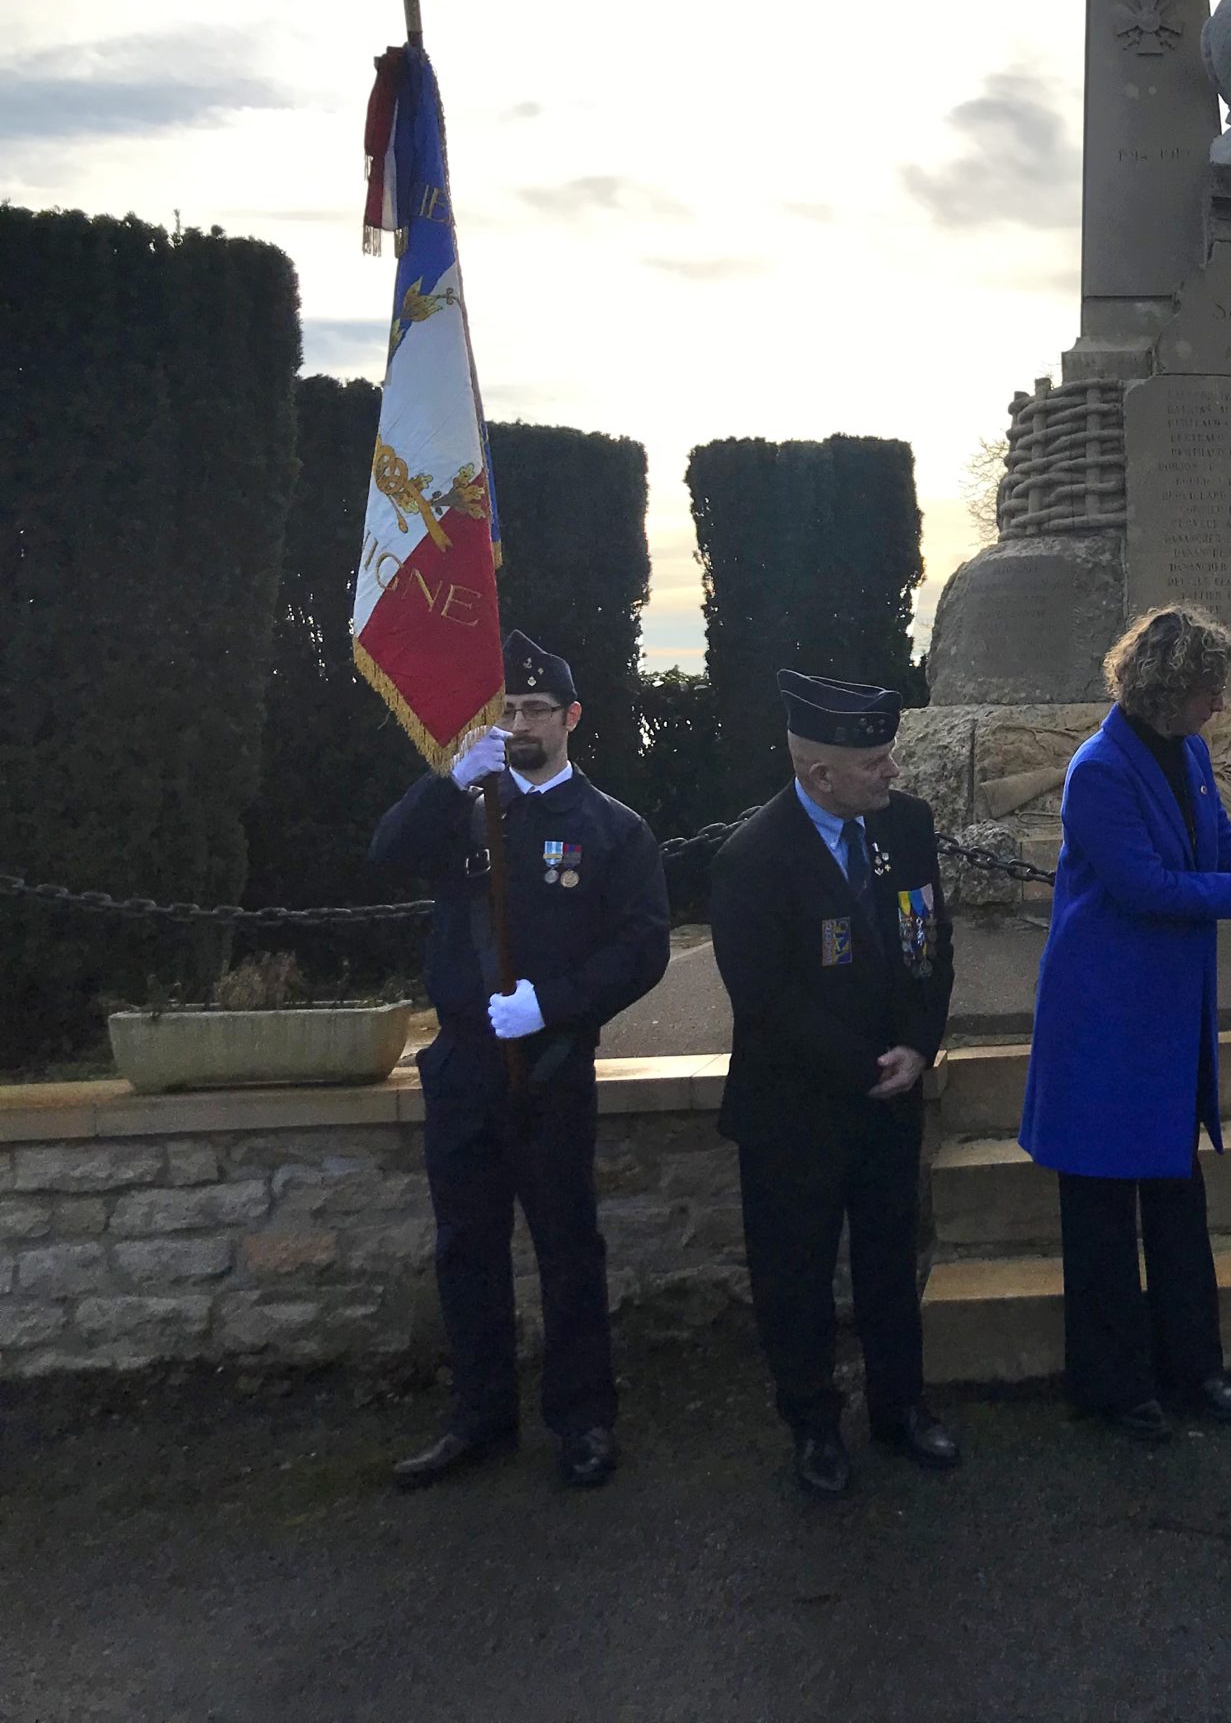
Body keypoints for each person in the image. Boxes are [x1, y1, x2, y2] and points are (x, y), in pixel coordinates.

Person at [371, 630, 671, 1490]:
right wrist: (446, 781)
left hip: (550, 1067)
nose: (520, 724)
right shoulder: (467, 812)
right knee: (467, 1248)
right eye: (507, 710)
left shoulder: (612, 829)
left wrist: (556, 1002)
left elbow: (643, 947)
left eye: (537, 709)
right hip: (466, 1068)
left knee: (568, 1247)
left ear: (572, 718)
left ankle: (583, 1419)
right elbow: (386, 853)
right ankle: (479, 1418)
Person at [1018, 607, 1231, 1443]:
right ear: (1169, 691)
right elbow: (1143, 887)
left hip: (1162, 1014)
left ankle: (1194, 1370)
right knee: (1099, 1212)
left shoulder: (1187, 749)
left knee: (1176, 1202)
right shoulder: (1098, 770)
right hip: (1104, 1017)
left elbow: (1218, 841)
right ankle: (1113, 1387)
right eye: (1209, 691)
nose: (1219, 705)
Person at [708, 671, 957, 1497]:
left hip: (891, 1097)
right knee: (796, 1277)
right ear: (820, 774)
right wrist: (864, 1067)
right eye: (875, 762)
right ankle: (813, 1424)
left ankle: (901, 1408)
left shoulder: (906, 826)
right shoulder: (753, 858)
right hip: (796, 1112)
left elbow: (929, 945)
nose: (893, 772)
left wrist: (917, 1045)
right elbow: (766, 999)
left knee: (890, 1261)